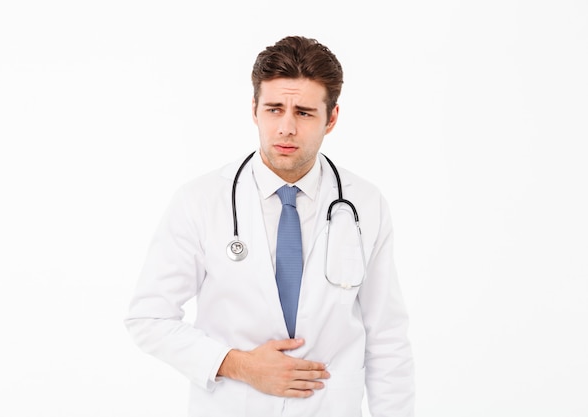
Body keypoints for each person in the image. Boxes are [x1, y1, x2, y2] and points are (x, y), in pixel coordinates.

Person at [124, 35, 415, 416]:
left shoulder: (365, 204)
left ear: (332, 119)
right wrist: (241, 365)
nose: (286, 128)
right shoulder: (200, 201)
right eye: (275, 109)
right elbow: (148, 317)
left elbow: (387, 338)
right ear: (254, 109)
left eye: (305, 113)